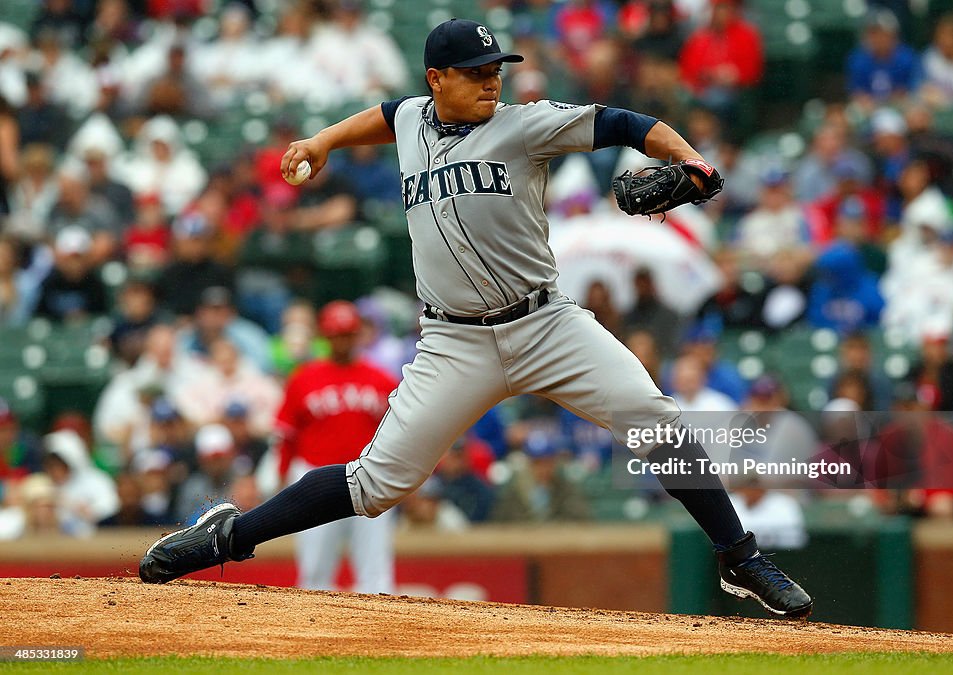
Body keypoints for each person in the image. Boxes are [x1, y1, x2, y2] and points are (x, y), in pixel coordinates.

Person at [139, 18, 812, 618]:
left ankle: (739, 555)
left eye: (496, 71)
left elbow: (625, 123)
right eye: (476, 73)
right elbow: (383, 113)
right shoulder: (410, 119)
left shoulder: (523, 124)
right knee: (376, 484)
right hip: (454, 340)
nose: (492, 82)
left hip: (546, 324)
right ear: (437, 79)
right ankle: (229, 534)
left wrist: (687, 158)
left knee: (652, 415)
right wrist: (322, 141)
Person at [273, 301, 397, 592]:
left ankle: (378, 633)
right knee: (315, 568)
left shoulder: (380, 379)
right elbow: (287, 436)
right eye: (336, 334)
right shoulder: (303, 379)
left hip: (369, 477)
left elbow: (400, 434)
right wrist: (281, 477)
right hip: (315, 476)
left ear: (357, 335)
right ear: (325, 337)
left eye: (347, 334)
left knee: (375, 571)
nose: (342, 340)